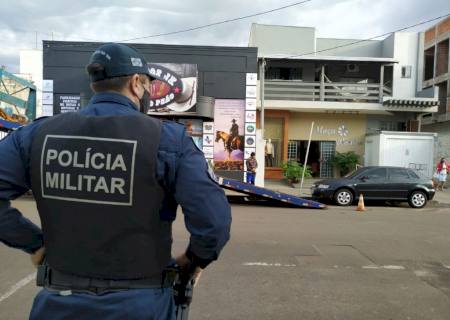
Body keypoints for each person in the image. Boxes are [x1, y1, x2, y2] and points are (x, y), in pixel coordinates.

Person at [0, 43, 231, 320]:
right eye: (146, 86)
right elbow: (213, 222)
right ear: (136, 83)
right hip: (143, 304)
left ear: (95, 84)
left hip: (59, 302)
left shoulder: (37, 135)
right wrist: (193, 262)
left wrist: (36, 243)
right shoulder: (169, 140)